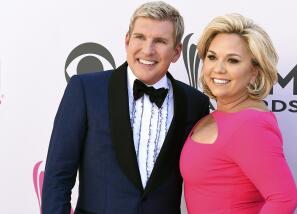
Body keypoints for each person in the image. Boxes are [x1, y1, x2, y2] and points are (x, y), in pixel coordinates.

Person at [42, 1, 209, 214]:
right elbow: (58, 176)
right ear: (127, 41)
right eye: (140, 37)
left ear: (176, 52)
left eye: (160, 41)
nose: (148, 50)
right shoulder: (85, 89)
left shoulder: (195, 102)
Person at [180, 13, 297, 214]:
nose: (218, 69)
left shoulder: (250, 124)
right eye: (212, 57)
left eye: (232, 60)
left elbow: (284, 199)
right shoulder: (214, 116)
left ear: (255, 72)